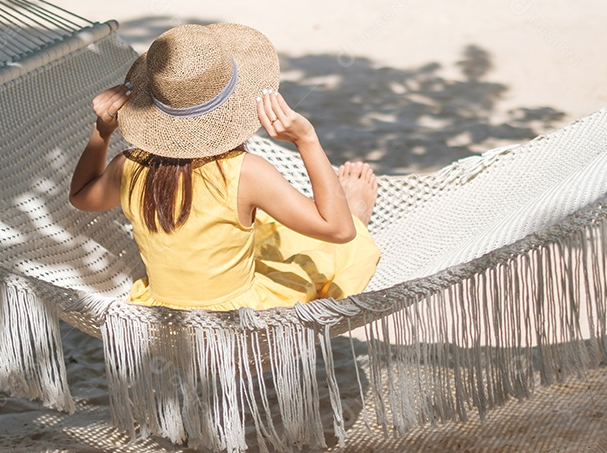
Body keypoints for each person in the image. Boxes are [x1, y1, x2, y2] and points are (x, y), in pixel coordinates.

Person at [69, 23, 381, 311]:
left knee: (269, 232)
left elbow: (81, 196)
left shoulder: (129, 167)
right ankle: (354, 208)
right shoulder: (245, 172)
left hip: (165, 317)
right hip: (243, 322)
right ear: (235, 102)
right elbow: (338, 231)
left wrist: (103, 131)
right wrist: (307, 140)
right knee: (331, 245)